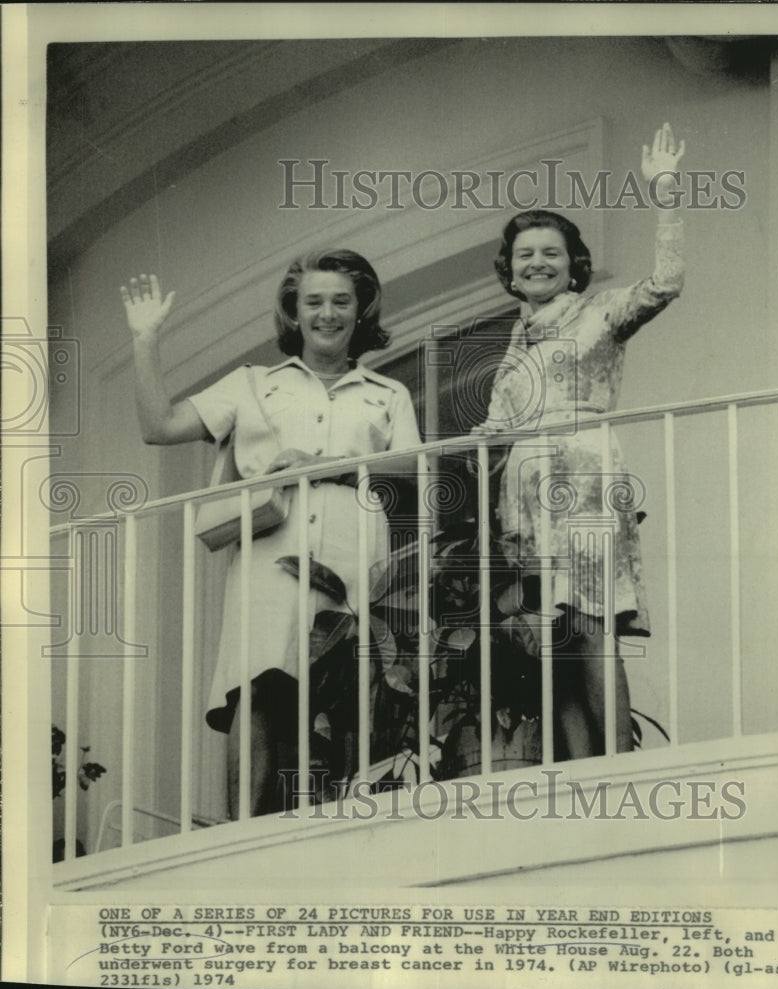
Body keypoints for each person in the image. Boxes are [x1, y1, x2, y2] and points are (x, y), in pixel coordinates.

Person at [121, 249, 421, 816]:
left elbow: (412, 466)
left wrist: (323, 464)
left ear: (360, 310)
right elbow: (159, 426)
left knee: (354, 685)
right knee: (256, 682)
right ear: (293, 312)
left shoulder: (387, 393)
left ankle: (351, 822)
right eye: (313, 302)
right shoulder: (253, 383)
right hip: (271, 550)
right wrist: (144, 341)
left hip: (354, 549)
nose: (327, 314)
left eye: (341, 301)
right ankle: (242, 831)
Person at [477, 123, 685, 758]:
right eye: (524, 256)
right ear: (510, 272)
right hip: (524, 495)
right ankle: (581, 772)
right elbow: (496, 431)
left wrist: (666, 194)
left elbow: (665, 283)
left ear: (573, 265)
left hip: (583, 473)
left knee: (591, 621)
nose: (537, 263)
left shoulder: (600, 312)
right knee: (552, 636)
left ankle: (618, 764)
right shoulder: (514, 348)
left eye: (551, 252)